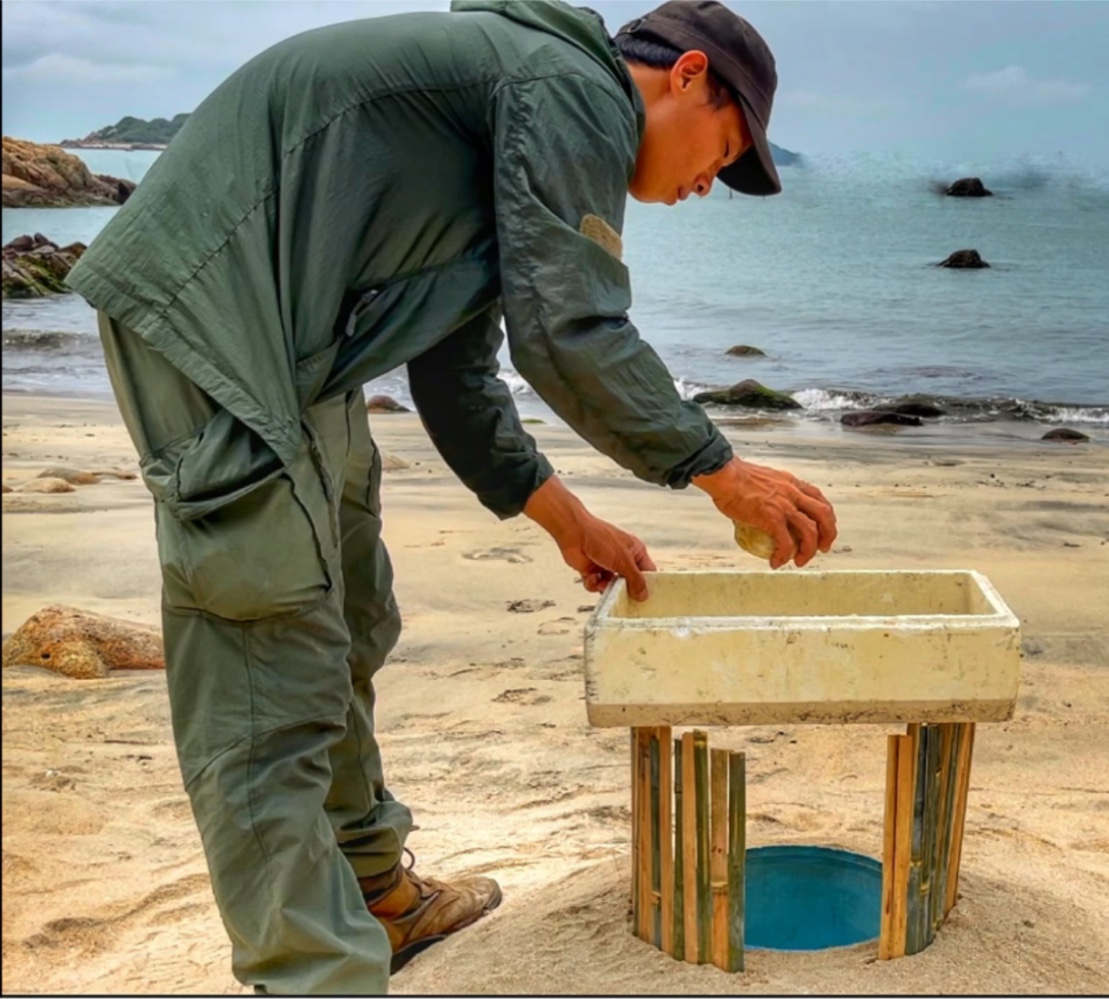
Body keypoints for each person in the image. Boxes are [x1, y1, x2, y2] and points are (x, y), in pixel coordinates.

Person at [65, 0, 836, 992]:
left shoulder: (526, 110)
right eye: (724, 152)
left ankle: (379, 897)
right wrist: (719, 471)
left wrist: (568, 518)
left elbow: (455, 368)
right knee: (269, 675)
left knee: (351, 610)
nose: (707, 185)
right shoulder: (573, 93)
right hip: (216, 323)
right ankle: (316, 975)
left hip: (303, 354)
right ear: (686, 77)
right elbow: (571, 332)